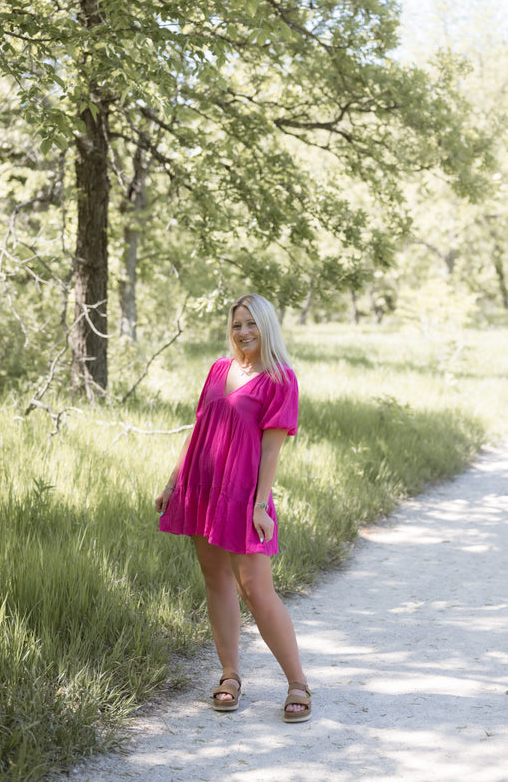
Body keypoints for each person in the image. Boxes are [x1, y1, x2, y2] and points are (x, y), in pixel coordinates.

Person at [155, 293, 311, 723]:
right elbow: (198, 429)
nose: (243, 332)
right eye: (237, 324)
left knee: (256, 590)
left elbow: (271, 450)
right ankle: (230, 675)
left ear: (266, 327)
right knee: (216, 580)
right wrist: (173, 482)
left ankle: (297, 682)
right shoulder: (218, 369)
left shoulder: (281, 379)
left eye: (252, 324)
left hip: (243, 494)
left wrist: (261, 505)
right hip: (202, 487)